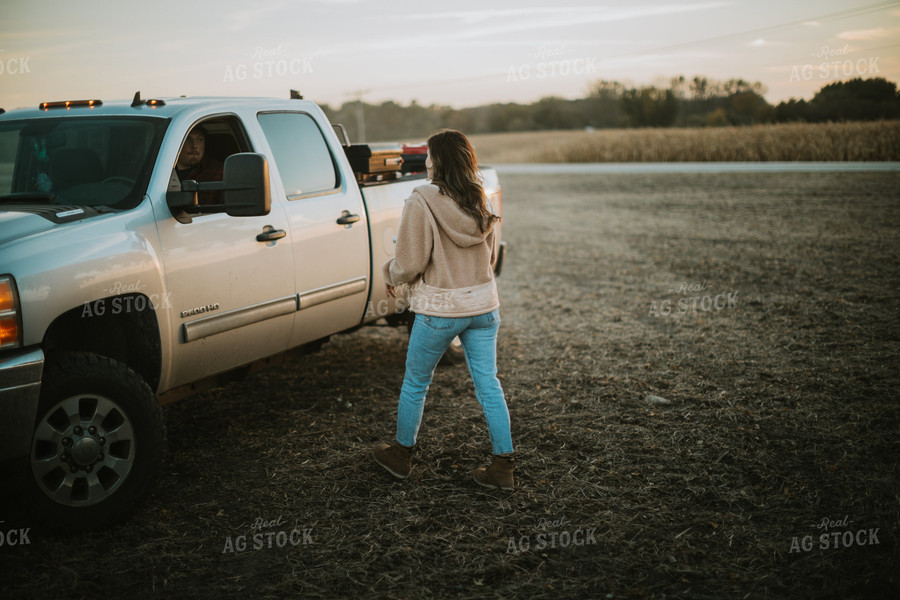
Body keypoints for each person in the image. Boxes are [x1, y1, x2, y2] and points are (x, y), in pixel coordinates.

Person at [373, 129, 514, 489]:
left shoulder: (421, 200)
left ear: (437, 161)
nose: (426, 162)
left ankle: (401, 456)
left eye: (429, 155)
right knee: (488, 383)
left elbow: (409, 262)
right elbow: (492, 256)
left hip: (440, 310)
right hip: (484, 306)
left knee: (416, 383)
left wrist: (392, 274)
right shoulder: (480, 198)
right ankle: (502, 466)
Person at [175, 125, 223, 205]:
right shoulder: (161, 171)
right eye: (188, 139)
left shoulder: (218, 172)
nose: (194, 146)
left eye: (199, 140)